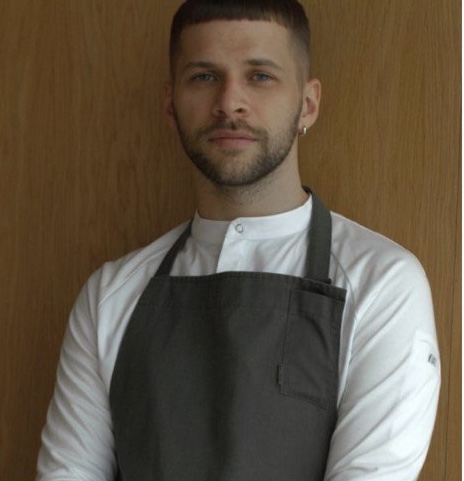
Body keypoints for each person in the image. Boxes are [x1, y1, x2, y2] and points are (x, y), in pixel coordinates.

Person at [36, 0, 440, 480]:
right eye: (204, 76)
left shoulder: (383, 284)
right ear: (170, 105)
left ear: (307, 104)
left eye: (260, 76)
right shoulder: (109, 295)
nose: (229, 102)